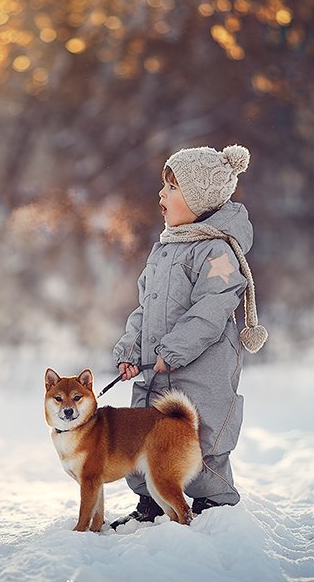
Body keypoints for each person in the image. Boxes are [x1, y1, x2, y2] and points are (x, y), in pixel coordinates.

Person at [109, 144, 267, 529]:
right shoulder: (163, 251)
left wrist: (174, 350)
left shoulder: (217, 252)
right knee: (144, 432)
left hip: (201, 371)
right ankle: (150, 501)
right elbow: (144, 310)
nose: (162, 195)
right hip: (156, 367)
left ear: (200, 199)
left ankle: (217, 507)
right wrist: (131, 347)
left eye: (173, 188)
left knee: (204, 438)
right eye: (164, 186)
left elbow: (210, 310)